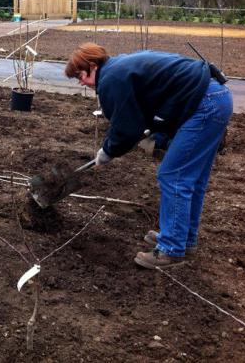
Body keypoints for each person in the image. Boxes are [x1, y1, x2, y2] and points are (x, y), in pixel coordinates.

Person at [65, 43, 232, 269]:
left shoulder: (111, 79)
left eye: (80, 76)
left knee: (173, 175)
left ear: (92, 66)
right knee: (193, 179)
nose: (81, 83)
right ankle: (184, 240)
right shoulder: (119, 68)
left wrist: (106, 152)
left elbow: (125, 129)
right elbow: (145, 112)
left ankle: (172, 249)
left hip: (204, 104)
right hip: (214, 97)